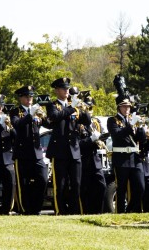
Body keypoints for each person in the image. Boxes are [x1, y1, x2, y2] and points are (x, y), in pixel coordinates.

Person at [45, 77, 91, 215]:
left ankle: (74, 211)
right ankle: (60, 211)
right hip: (59, 150)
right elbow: (55, 117)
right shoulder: (52, 105)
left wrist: (83, 108)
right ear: (57, 90)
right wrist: (71, 108)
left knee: (76, 184)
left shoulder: (74, 105)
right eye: (64, 89)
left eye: (67, 89)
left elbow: (87, 121)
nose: (66, 91)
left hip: (74, 149)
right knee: (61, 184)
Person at [10, 85, 48, 215]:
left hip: (37, 153)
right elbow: (17, 125)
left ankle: (36, 208)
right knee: (23, 184)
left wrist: (45, 113)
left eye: (31, 96)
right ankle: (25, 210)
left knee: (43, 179)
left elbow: (48, 123)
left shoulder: (37, 111)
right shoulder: (15, 112)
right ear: (21, 98)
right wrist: (30, 115)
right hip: (22, 153)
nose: (29, 99)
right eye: (27, 96)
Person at [107, 96, 145, 213]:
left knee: (140, 187)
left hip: (134, 157)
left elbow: (141, 139)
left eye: (128, 106)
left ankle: (130, 210)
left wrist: (141, 128)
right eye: (124, 106)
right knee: (121, 189)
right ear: (119, 107)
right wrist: (130, 125)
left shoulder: (132, 120)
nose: (127, 109)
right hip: (121, 158)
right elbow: (117, 134)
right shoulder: (112, 120)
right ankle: (120, 213)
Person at [78, 97, 107, 214]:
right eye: (87, 108)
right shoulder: (78, 123)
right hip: (83, 160)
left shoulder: (96, 122)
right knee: (85, 189)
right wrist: (91, 140)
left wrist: (101, 140)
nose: (90, 111)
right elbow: (77, 144)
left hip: (95, 159)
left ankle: (98, 212)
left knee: (101, 186)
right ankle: (86, 212)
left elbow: (102, 136)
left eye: (91, 108)